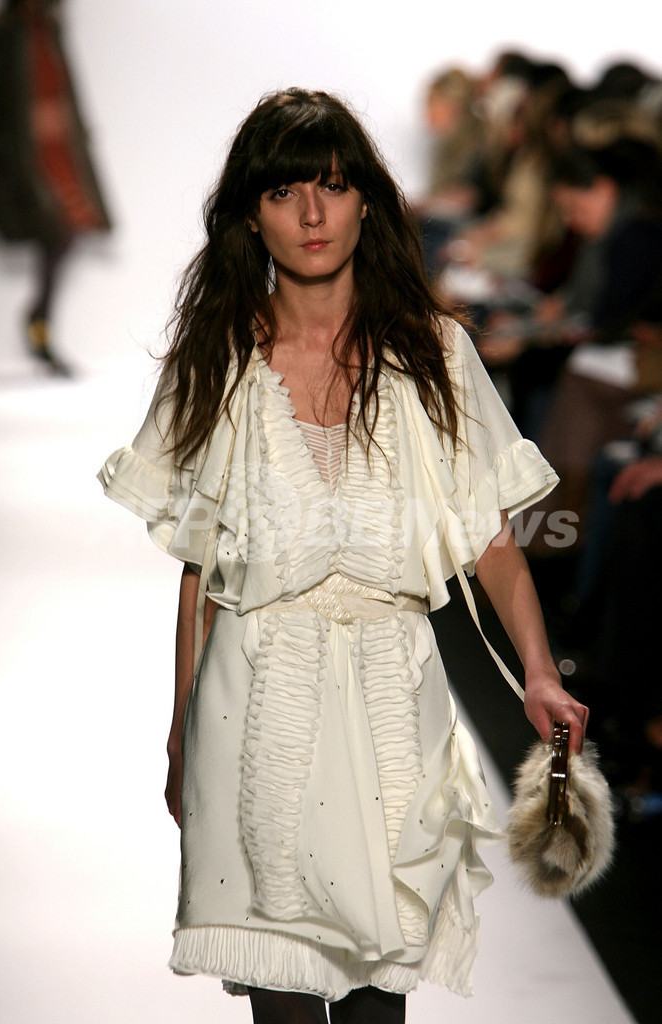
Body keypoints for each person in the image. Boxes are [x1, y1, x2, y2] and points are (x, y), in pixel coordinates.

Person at [98, 89, 588, 1024]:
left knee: (376, 1007)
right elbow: (202, 569)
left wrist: (537, 670)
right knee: (281, 998)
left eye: (332, 185)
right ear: (251, 216)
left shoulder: (434, 357)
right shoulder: (217, 358)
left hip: (389, 695)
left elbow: (490, 537)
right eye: (284, 192)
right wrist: (180, 727)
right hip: (254, 699)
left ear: (368, 200)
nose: (312, 214)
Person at [0, 0, 111, 374]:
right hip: (19, 156)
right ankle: (39, 325)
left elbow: (63, 88)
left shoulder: (50, 30)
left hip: (55, 152)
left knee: (64, 231)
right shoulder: (5, 34)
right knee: (57, 231)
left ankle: (40, 324)